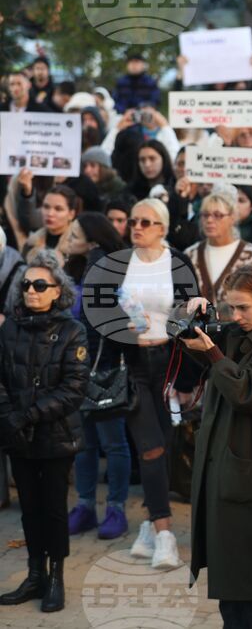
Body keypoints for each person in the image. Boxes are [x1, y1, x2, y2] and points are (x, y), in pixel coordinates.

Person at [181, 265, 252, 628]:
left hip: (250, 475)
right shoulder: (231, 332)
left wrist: (214, 353)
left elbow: (250, 392)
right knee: (228, 578)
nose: (236, 317)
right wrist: (187, 316)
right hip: (220, 470)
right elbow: (184, 344)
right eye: (230, 308)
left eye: (244, 308)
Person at [0, 251, 88, 613]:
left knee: (52, 509)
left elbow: (73, 388)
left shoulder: (72, 330)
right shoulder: (9, 328)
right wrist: (9, 417)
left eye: (39, 285)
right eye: (25, 285)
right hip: (17, 434)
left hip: (56, 435)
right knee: (29, 510)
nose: (31, 291)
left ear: (57, 291)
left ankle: (56, 576)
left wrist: (28, 415)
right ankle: (35, 574)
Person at [114, 198, 197, 570]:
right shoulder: (118, 263)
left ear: (162, 228)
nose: (137, 227)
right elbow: (99, 314)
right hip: (132, 363)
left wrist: (187, 375)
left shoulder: (176, 263)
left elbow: (190, 317)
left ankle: (148, 525)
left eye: (146, 222)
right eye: (134, 221)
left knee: (163, 443)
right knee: (149, 447)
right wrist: (120, 327)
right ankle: (165, 535)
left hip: (169, 360)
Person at [60, 214, 131, 541]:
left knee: (112, 443)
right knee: (83, 442)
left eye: (75, 233)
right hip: (75, 369)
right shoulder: (75, 266)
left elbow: (106, 319)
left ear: (92, 240)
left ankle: (115, 508)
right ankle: (86, 506)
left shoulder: (107, 267)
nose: (68, 236)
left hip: (103, 368)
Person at [184, 190, 252, 317]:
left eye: (218, 215)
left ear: (232, 218)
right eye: (205, 215)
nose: (210, 220)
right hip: (196, 333)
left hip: (237, 332)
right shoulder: (190, 254)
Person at [18, 184, 79, 263]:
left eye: (58, 209)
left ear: (71, 214)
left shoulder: (79, 247)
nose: (50, 213)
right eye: (46, 207)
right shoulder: (31, 243)